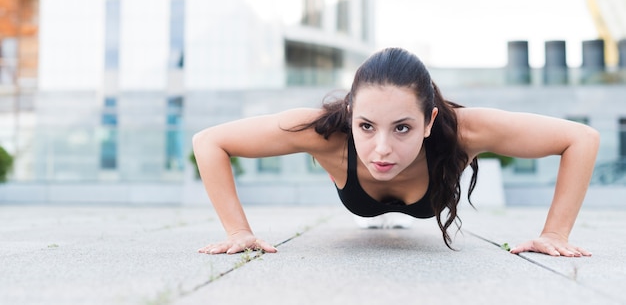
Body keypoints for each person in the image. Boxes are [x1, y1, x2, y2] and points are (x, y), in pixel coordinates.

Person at [192, 47, 599, 257]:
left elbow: (581, 138)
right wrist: (238, 232)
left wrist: (554, 234)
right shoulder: (323, 132)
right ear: (350, 116)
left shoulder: (466, 130)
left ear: (429, 120)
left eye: (402, 128)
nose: (381, 149)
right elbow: (209, 141)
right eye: (366, 127)